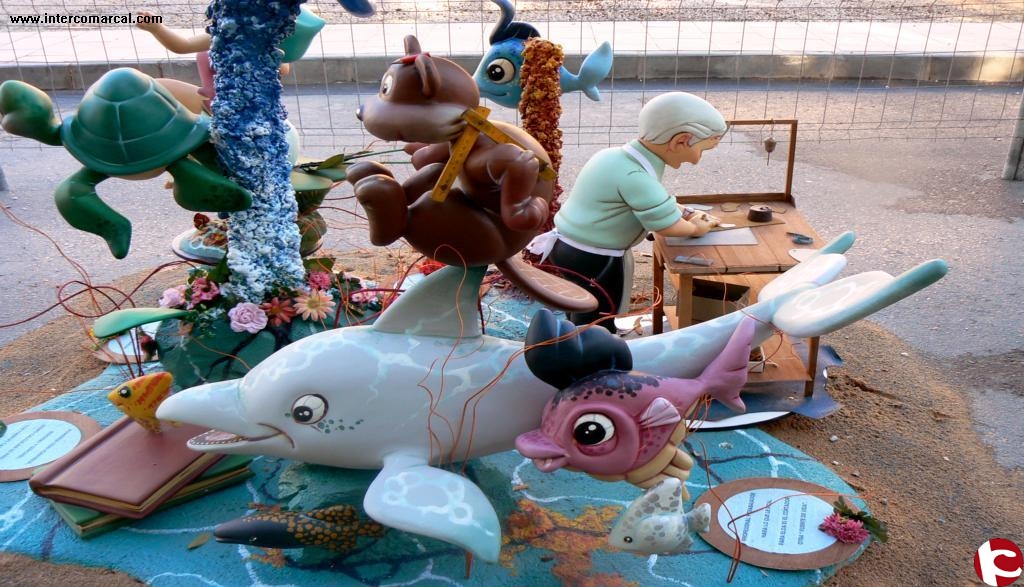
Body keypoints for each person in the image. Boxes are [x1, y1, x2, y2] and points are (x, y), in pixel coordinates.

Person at [529, 91, 728, 332]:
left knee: (581, 306)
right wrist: (696, 227)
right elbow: (666, 226)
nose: (697, 160)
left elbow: (653, 201)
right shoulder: (635, 176)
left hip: (569, 247)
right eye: (702, 150)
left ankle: (576, 337)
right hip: (595, 257)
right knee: (599, 315)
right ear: (681, 141)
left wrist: (685, 211)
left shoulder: (614, 157)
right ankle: (593, 348)